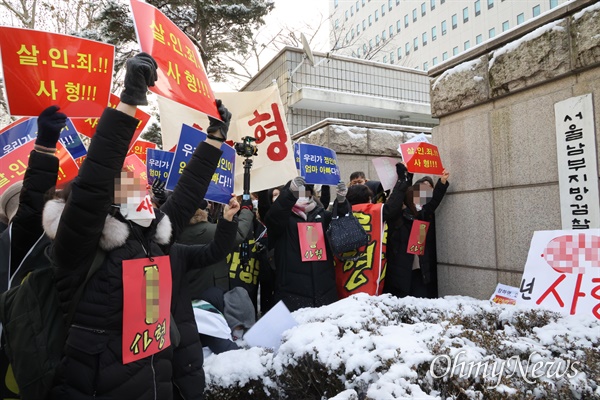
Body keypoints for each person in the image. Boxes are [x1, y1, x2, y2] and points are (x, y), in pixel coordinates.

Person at [43, 52, 238, 400]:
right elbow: (94, 180)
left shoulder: (151, 235)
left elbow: (188, 194)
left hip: (156, 381)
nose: (139, 183)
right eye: (126, 179)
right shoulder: (78, 242)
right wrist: (130, 101)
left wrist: (215, 140)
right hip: (95, 386)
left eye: (138, 179)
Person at [0, 105, 66, 400]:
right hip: (18, 359)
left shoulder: (37, 242)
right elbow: (31, 209)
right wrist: (45, 146)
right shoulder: (20, 241)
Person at [264, 176, 348, 312]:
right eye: (298, 192)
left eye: (305, 192)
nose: (301, 196)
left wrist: (342, 202)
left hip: (324, 290)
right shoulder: (283, 218)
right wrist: (289, 194)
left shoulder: (322, 215)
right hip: (292, 291)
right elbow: (273, 218)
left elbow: (342, 228)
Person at [384, 165, 450, 299]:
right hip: (400, 275)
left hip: (419, 272)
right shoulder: (396, 218)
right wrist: (405, 178)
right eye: (416, 196)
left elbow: (432, 204)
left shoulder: (420, 216)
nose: (420, 200)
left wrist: (442, 183)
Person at [177, 196, 255, 299]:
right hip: (211, 295)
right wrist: (246, 210)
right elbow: (238, 234)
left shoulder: (175, 232)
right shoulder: (207, 231)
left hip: (185, 294)